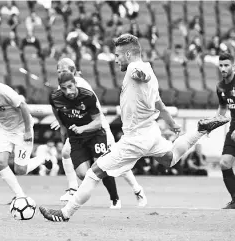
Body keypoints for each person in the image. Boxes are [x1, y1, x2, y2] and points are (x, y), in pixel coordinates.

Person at [39, 34, 230, 222]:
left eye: (118, 55)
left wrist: (139, 73)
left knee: (93, 172)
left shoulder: (135, 69)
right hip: (150, 131)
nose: (115, 60)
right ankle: (200, 130)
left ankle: (65, 213)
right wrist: (171, 123)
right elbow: (159, 103)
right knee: (170, 159)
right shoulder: (150, 73)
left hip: (135, 138)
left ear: (129, 55)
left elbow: (141, 74)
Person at [54, 58, 146, 208]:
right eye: (58, 72)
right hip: (80, 130)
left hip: (97, 127)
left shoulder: (79, 85)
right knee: (66, 152)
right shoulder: (64, 87)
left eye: (63, 71)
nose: (60, 75)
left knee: (113, 160)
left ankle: (136, 190)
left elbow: (86, 109)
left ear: (72, 71)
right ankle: (73, 189)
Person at [49, 71, 122, 209]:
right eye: (64, 88)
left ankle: (114, 198)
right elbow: (55, 109)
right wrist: (61, 124)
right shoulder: (55, 97)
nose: (68, 91)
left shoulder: (87, 96)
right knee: (82, 174)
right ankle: (82, 190)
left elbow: (98, 123)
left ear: (75, 83)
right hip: (76, 138)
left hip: (95, 134)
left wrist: (83, 128)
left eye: (70, 86)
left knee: (102, 166)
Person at [0, 62, 45, 200]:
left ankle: (42, 159)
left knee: (20, 170)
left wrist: (27, 131)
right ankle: (20, 195)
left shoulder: (3, 91)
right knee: (0, 162)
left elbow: (23, 107)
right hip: (5, 130)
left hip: (22, 128)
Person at [216, 53, 235, 209]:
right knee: (224, 163)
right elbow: (223, 107)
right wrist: (213, 123)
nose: (223, 68)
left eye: (226, 65)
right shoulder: (220, 86)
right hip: (233, 128)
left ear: (233, 66)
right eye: (221, 65)